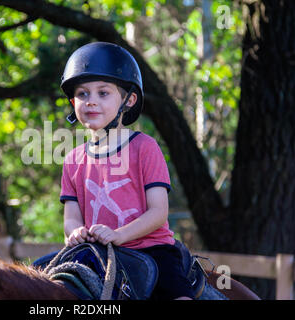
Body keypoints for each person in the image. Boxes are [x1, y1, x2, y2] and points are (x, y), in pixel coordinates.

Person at [58, 42, 194, 300]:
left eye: (103, 93)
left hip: (151, 250)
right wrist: (75, 232)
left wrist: (118, 235)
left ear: (128, 100)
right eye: (83, 94)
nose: (91, 102)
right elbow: (71, 217)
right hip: (97, 254)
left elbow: (158, 212)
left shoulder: (145, 148)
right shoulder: (72, 160)